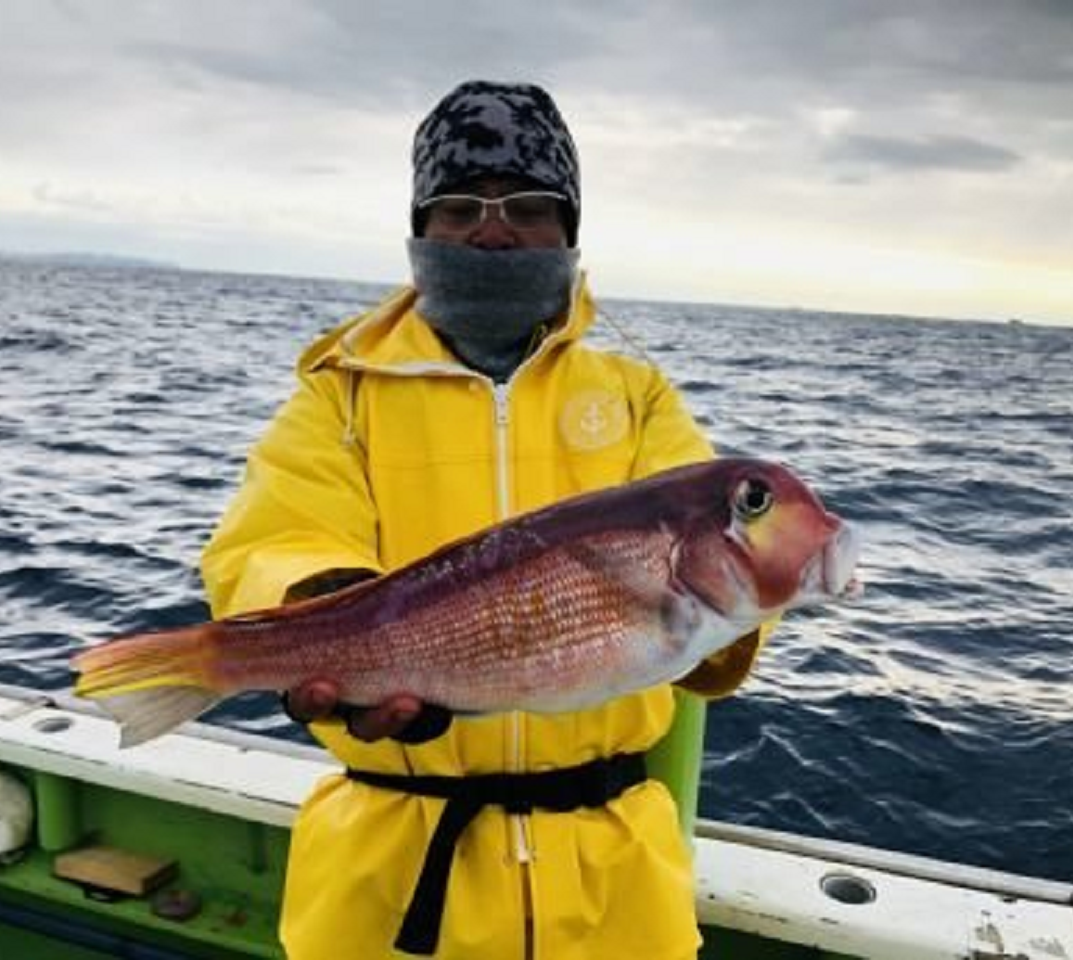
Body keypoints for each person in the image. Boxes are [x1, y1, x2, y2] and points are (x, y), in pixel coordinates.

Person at [200, 80, 767, 960]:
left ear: (570, 230)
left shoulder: (636, 394)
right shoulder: (338, 395)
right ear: (420, 227)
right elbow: (273, 537)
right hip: (390, 877)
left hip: (613, 886)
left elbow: (709, 578)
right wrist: (324, 614)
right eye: (459, 206)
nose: (492, 229)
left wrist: (753, 596)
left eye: (529, 208)